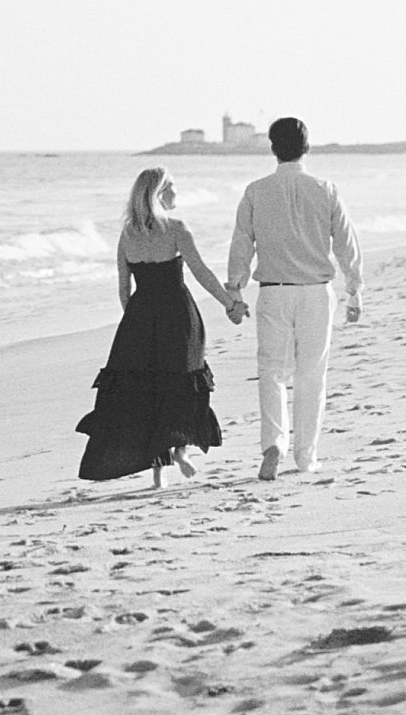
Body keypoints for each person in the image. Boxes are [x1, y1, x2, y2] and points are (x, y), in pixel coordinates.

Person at [77, 166, 248, 489]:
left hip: (140, 319)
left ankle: (159, 473)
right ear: (160, 193)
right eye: (173, 189)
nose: (177, 195)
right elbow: (201, 272)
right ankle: (181, 450)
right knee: (183, 381)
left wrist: (137, 322)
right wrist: (230, 304)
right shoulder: (176, 229)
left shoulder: (128, 233)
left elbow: (123, 290)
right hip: (178, 316)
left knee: (146, 390)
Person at [226, 116, 363, 482]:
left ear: (273, 149)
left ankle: (273, 444)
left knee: (270, 371)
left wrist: (234, 289)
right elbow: (346, 243)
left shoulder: (256, 191)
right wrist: (355, 289)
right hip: (316, 292)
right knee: (311, 375)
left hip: (273, 292)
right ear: (307, 148)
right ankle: (305, 457)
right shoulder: (325, 189)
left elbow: (242, 244)